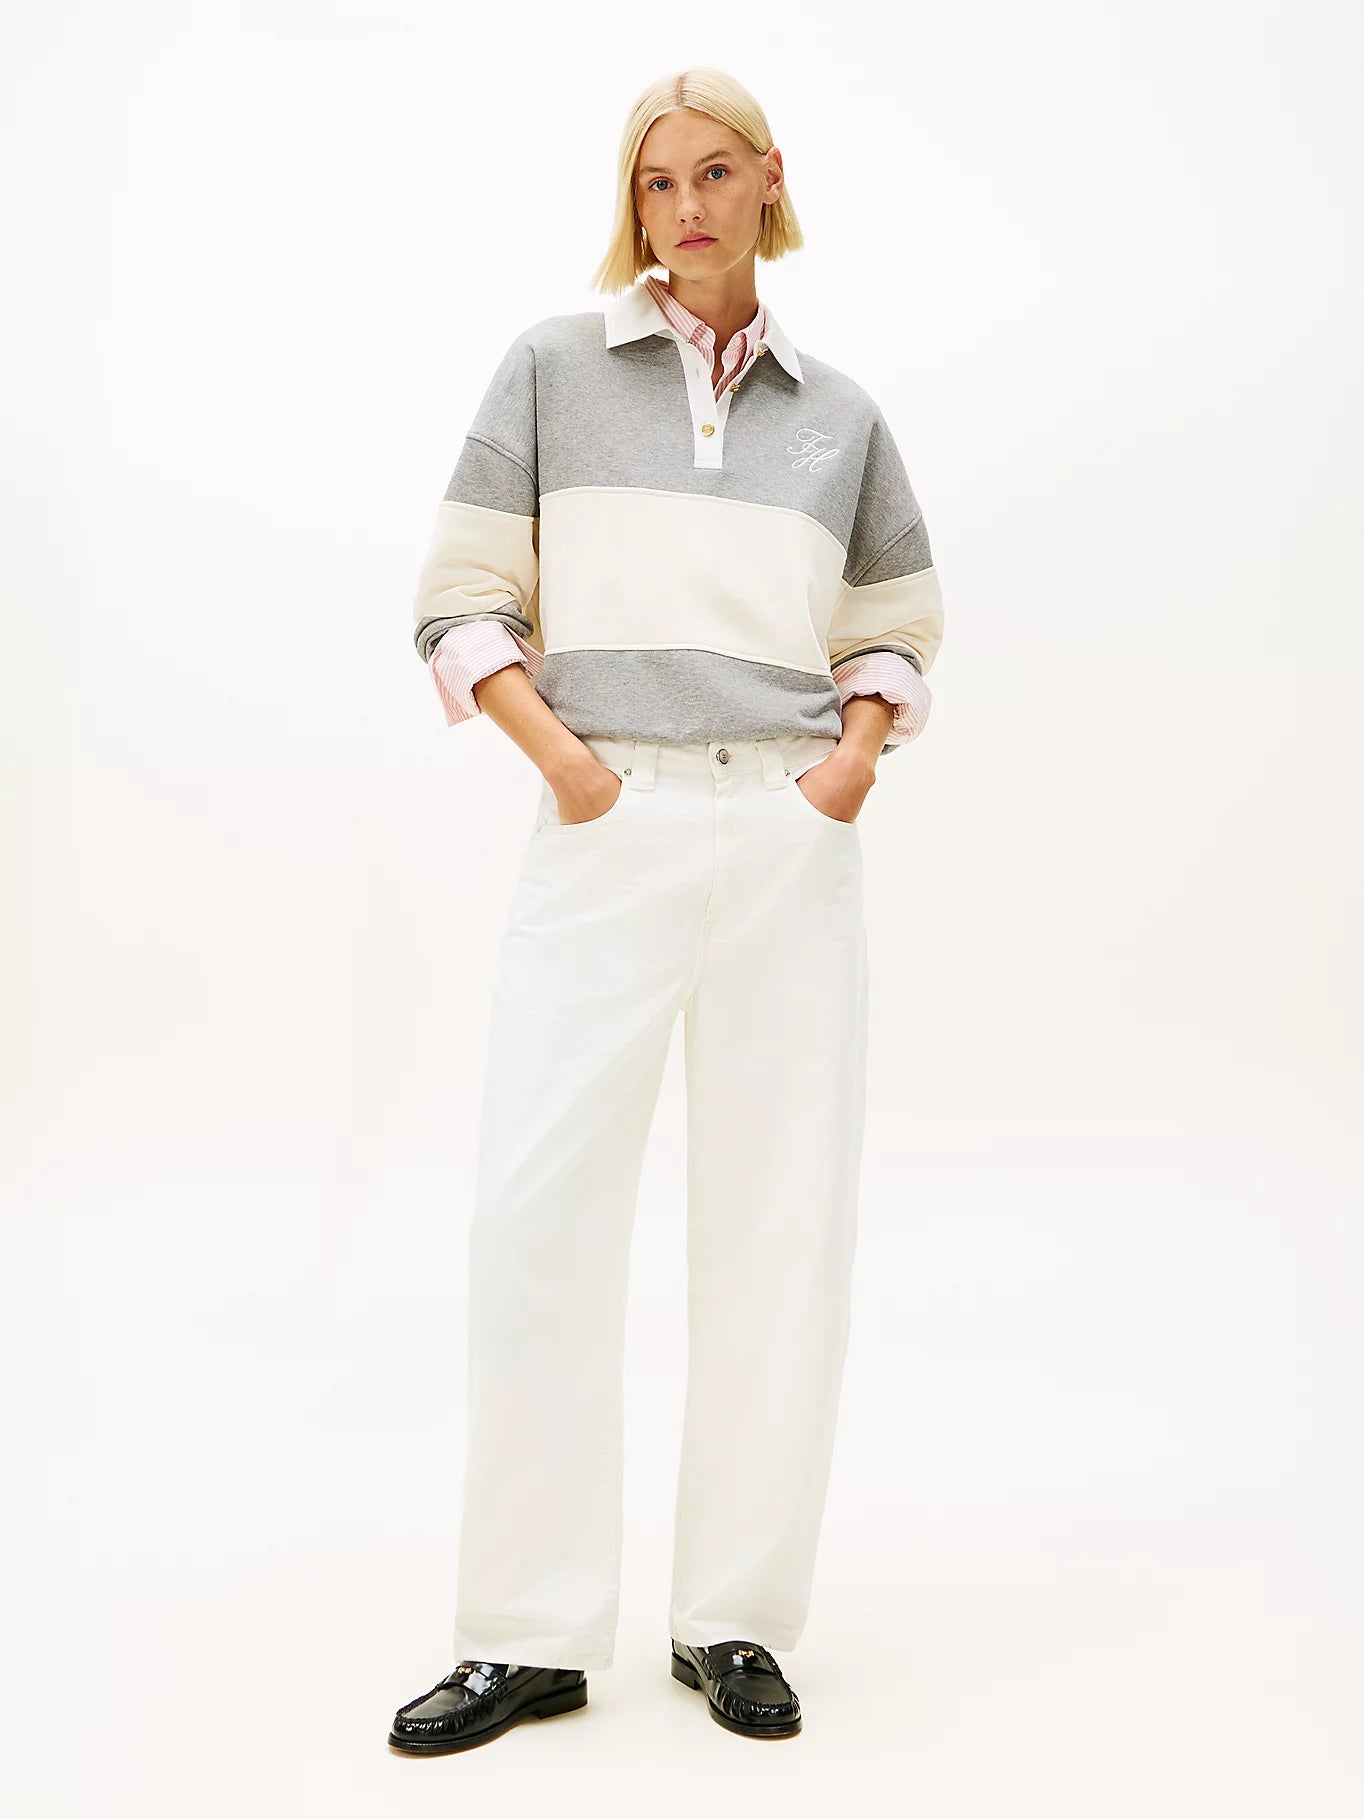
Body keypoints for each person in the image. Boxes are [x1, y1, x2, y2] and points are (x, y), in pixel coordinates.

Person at [388, 64, 945, 1755]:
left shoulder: (842, 416)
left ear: (768, 178)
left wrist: (844, 773)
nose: (683, 208)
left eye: (712, 174)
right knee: (537, 1217)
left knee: (782, 1229)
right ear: (630, 201)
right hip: (608, 819)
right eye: (654, 181)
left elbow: (896, 623)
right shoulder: (553, 370)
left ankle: (734, 1618)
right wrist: (572, 771)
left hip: (785, 834)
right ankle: (528, 1632)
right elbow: (460, 600)